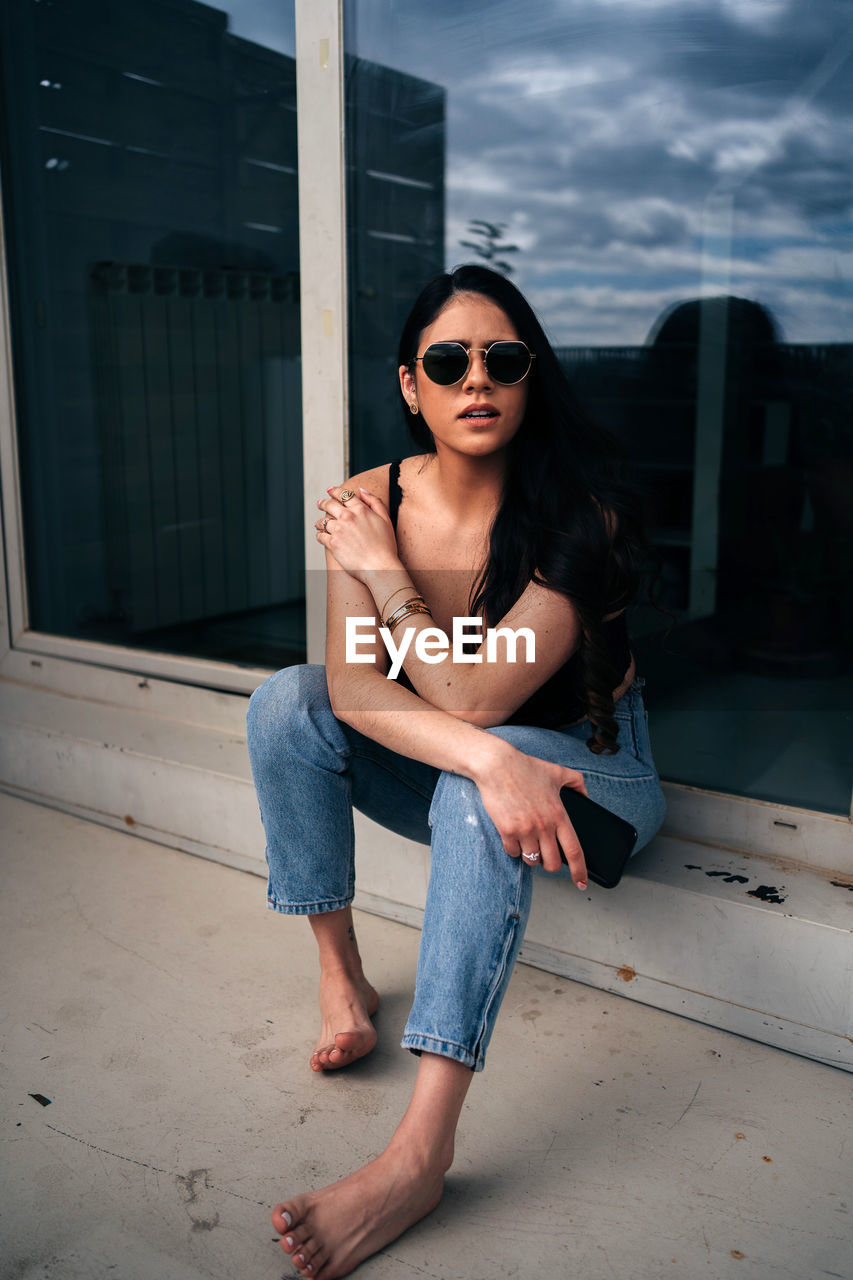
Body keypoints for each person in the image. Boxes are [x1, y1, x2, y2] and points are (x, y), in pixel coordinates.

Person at [246, 264, 667, 1278]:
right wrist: (487, 758)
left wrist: (387, 574)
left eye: (502, 360)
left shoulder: (581, 512)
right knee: (284, 702)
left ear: (528, 381)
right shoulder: (363, 500)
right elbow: (356, 695)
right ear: (409, 384)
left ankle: (418, 1154)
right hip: (484, 766)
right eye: (447, 361)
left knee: (487, 777)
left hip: (600, 772)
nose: (475, 380)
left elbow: (480, 696)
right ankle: (339, 974)